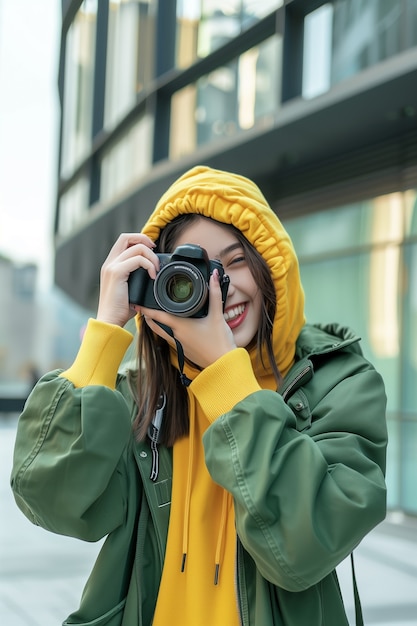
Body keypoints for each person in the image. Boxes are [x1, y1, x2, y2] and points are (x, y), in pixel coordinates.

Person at [11, 165, 388, 626]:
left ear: (271, 264)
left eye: (234, 263)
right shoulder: (143, 391)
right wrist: (104, 336)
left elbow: (303, 548)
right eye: (193, 274)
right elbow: (50, 501)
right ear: (158, 287)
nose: (218, 290)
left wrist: (225, 375)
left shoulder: (338, 381)